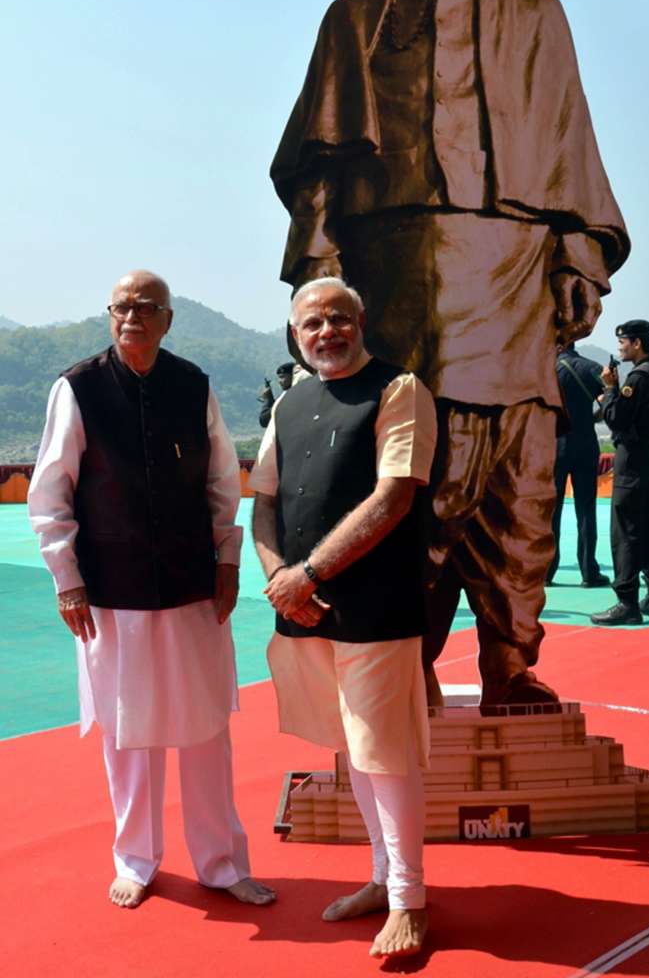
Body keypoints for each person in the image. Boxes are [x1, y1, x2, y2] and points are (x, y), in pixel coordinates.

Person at [269, 0, 629, 706]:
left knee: (517, 463)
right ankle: (408, 658)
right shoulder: (355, 17)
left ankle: (510, 659)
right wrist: (319, 256)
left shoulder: (538, 14)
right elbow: (315, 161)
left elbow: (570, 139)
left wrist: (577, 248)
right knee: (405, 464)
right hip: (388, 270)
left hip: (510, 265)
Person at [28, 270, 275, 910]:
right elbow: (51, 493)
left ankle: (221, 862)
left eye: (146, 307)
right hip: (112, 590)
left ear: (169, 319)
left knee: (205, 730)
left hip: (194, 585)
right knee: (125, 732)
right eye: (121, 306)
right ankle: (136, 860)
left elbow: (224, 479)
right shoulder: (77, 388)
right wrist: (67, 581)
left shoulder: (194, 385)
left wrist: (227, 560)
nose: (132, 316)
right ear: (109, 315)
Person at [250, 277, 437, 959]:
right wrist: (278, 577)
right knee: (354, 750)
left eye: (337, 319)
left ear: (361, 322)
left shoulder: (399, 390)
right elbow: (264, 502)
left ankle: (410, 901)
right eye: (311, 324)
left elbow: (393, 498)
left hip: (376, 606)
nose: (325, 332)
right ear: (295, 336)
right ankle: (382, 879)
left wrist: (309, 574)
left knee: (385, 752)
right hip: (306, 606)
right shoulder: (290, 403)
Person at [591, 320, 649, 625]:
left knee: (624, 530)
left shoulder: (635, 379)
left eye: (624, 342)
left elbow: (617, 419)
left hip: (631, 459)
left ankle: (627, 602)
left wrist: (610, 390)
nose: (620, 347)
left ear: (637, 343)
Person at [547, 343, 609, 588]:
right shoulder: (592, 367)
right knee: (586, 510)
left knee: (552, 511)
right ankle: (588, 571)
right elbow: (608, 402)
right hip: (585, 443)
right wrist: (593, 417)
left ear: (559, 343)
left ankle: (547, 571)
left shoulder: (547, 369)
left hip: (556, 445)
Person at [258, 362, 295, 429]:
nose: (279, 381)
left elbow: (264, 420)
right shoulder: (290, 394)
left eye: (282, 377)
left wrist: (267, 400)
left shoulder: (288, 396)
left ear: (293, 376)